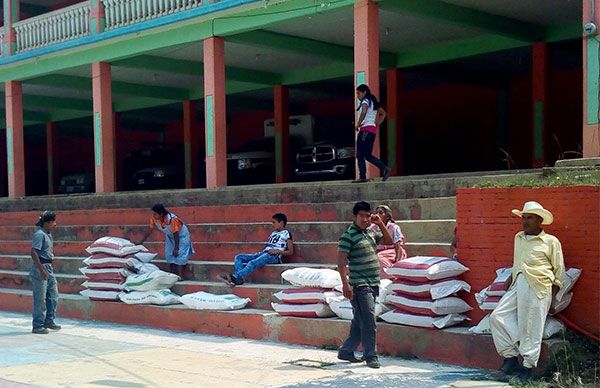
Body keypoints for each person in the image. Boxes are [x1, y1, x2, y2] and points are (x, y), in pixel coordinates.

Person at [490, 201, 566, 381]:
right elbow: (518, 262)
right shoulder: (519, 237)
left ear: (540, 220)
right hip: (518, 283)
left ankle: (527, 368)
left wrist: (554, 297)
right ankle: (510, 358)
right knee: (497, 317)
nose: (524, 221)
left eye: (529, 218)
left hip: (539, 285)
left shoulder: (551, 241)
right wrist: (512, 277)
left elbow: (559, 271)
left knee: (530, 326)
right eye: (523, 218)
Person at [337, 201, 393, 369]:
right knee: (369, 320)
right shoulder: (348, 235)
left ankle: (346, 351)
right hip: (359, 284)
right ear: (355, 217)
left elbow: (389, 241)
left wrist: (380, 223)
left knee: (360, 320)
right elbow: (341, 262)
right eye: (362, 216)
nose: (365, 219)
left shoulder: (371, 232)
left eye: (368, 216)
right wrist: (345, 285)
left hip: (373, 281)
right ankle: (371, 356)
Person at [219, 213, 293, 286]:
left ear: (281, 223)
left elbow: (290, 252)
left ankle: (235, 277)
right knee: (238, 257)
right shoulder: (273, 233)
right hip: (264, 253)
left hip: (274, 256)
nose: (272, 224)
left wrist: (277, 251)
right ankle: (238, 278)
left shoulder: (287, 234)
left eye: (274, 222)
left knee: (252, 263)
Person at [136, 204, 195, 279]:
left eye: (155, 213)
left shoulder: (172, 219)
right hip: (170, 236)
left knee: (180, 254)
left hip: (181, 236)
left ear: (161, 214)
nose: (153, 215)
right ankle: (173, 274)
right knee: (169, 254)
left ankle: (180, 276)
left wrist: (176, 248)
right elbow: (150, 230)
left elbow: (176, 233)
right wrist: (141, 241)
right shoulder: (154, 218)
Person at [354, 84, 391, 183]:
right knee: (368, 155)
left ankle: (362, 177)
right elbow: (383, 113)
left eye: (358, 93)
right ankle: (384, 168)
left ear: (364, 92)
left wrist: (358, 124)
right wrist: (377, 123)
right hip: (372, 131)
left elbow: (364, 111)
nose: (357, 96)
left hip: (365, 130)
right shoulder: (373, 102)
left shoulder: (366, 101)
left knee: (360, 154)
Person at [31, 211, 60, 334]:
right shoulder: (39, 235)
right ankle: (38, 325)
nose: (55, 224)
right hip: (41, 268)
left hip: (48, 267)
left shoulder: (47, 234)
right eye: (53, 222)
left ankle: (49, 320)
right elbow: (34, 252)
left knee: (53, 296)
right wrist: (41, 270)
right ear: (47, 223)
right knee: (40, 299)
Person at [369, 205, 407, 278]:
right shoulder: (373, 227)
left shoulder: (393, 227)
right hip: (379, 252)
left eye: (380, 213)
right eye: (376, 213)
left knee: (379, 258)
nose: (377, 215)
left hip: (393, 252)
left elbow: (398, 246)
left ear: (387, 217)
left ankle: (392, 276)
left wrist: (397, 262)